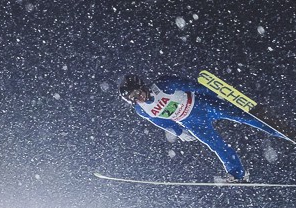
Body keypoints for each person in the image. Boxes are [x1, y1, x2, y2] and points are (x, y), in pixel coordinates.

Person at [120, 74, 287, 181]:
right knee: (215, 145)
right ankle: (237, 174)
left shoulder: (164, 85)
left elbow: (192, 86)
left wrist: (215, 93)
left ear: (142, 86)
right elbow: (159, 121)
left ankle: (278, 131)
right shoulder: (141, 109)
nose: (138, 98)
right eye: (133, 98)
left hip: (202, 104)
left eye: (137, 93)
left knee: (240, 116)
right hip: (191, 122)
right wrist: (178, 132)